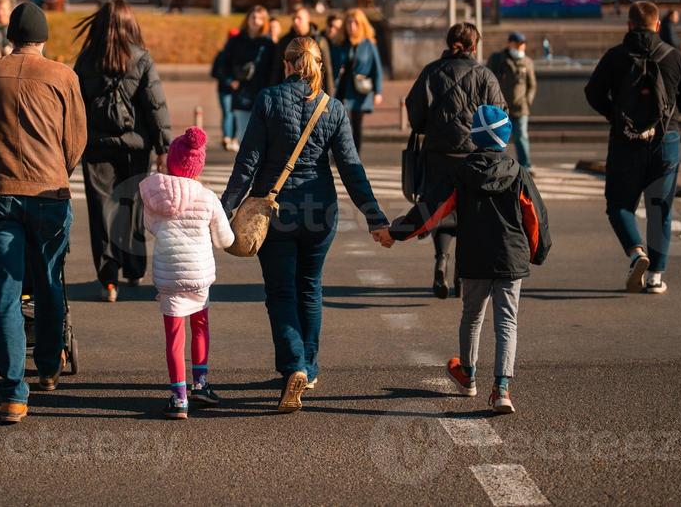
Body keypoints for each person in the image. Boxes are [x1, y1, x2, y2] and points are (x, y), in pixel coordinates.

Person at [220, 37, 391, 413]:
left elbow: (247, 163)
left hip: (275, 211)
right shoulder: (333, 108)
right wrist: (375, 218)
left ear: (287, 64)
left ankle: (294, 363)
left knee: (281, 292)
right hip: (320, 211)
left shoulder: (268, 99)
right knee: (310, 289)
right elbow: (351, 169)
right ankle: (309, 369)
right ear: (318, 66)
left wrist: (223, 210)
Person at [0, 2, 87, 423]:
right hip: (49, 194)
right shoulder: (64, 76)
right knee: (49, 282)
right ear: (44, 38)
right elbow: (76, 141)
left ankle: (13, 393)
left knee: (5, 292)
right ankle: (48, 366)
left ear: (10, 36)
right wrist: (57, 171)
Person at [386, 104, 550, 416]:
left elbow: (431, 210)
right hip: (512, 257)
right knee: (507, 321)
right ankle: (501, 388)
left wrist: (396, 233)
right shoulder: (518, 172)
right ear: (505, 138)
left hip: (474, 258)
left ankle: (468, 375)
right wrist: (538, 252)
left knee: (472, 316)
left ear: (474, 137)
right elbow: (535, 219)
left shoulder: (461, 173)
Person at [584, 0, 681, 295]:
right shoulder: (674, 57)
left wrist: (615, 115)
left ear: (628, 25)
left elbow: (593, 92)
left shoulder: (615, 57)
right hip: (666, 142)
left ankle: (637, 252)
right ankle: (655, 277)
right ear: (658, 25)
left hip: (625, 141)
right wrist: (670, 114)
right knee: (660, 208)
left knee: (619, 205)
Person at [73, 0, 173, 301]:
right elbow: (155, 105)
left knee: (100, 209)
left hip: (97, 144)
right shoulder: (141, 57)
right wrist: (163, 148)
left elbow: (76, 105)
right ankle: (133, 266)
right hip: (135, 145)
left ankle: (108, 279)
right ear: (131, 24)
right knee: (131, 206)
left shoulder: (87, 58)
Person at [406, 22, 507, 300]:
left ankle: (441, 259)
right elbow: (500, 115)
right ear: (474, 47)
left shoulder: (431, 71)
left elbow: (414, 112)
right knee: (470, 213)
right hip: (475, 156)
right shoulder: (485, 76)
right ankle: (462, 273)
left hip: (439, 155)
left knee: (441, 209)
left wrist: (432, 127)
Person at [139, 126, 234, 419]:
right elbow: (225, 240)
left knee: (174, 336)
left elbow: (149, 226)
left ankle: (179, 397)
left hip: (168, 276)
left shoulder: (155, 196)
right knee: (200, 326)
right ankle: (201, 384)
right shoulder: (207, 198)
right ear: (198, 166)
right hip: (199, 275)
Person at [211, 7, 278, 150]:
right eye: (253, 17)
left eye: (260, 18)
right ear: (247, 19)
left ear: (265, 22)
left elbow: (274, 70)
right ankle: (246, 170)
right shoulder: (235, 41)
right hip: (242, 94)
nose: (255, 21)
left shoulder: (268, 44)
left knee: (262, 138)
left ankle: (259, 170)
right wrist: (230, 81)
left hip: (263, 94)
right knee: (243, 137)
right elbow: (222, 65)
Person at [332, 8, 382, 151]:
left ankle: (355, 157)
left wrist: (378, 92)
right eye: (349, 23)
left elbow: (376, 68)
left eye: (355, 23)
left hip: (360, 90)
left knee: (357, 125)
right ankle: (340, 154)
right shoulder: (340, 43)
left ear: (362, 25)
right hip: (342, 88)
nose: (352, 26)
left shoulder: (368, 44)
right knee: (341, 124)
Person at [486, 31, 538, 168]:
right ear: (510, 44)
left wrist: (527, 101)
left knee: (521, 137)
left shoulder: (527, 62)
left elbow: (531, 85)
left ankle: (525, 166)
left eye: (523, 45)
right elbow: (488, 79)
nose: (521, 48)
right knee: (498, 138)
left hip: (521, 108)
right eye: (518, 45)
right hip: (501, 108)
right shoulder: (497, 59)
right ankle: (496, 165)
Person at [270, 6, 334, 94]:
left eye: (299, 18)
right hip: (288, 92)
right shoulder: (285, 41)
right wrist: (273, 92)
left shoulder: (319, 41)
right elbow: (277, 68)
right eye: (294, 19)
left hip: (314, 92)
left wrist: (329, 98)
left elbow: (327, 71)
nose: (296, 22)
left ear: (308, 19)